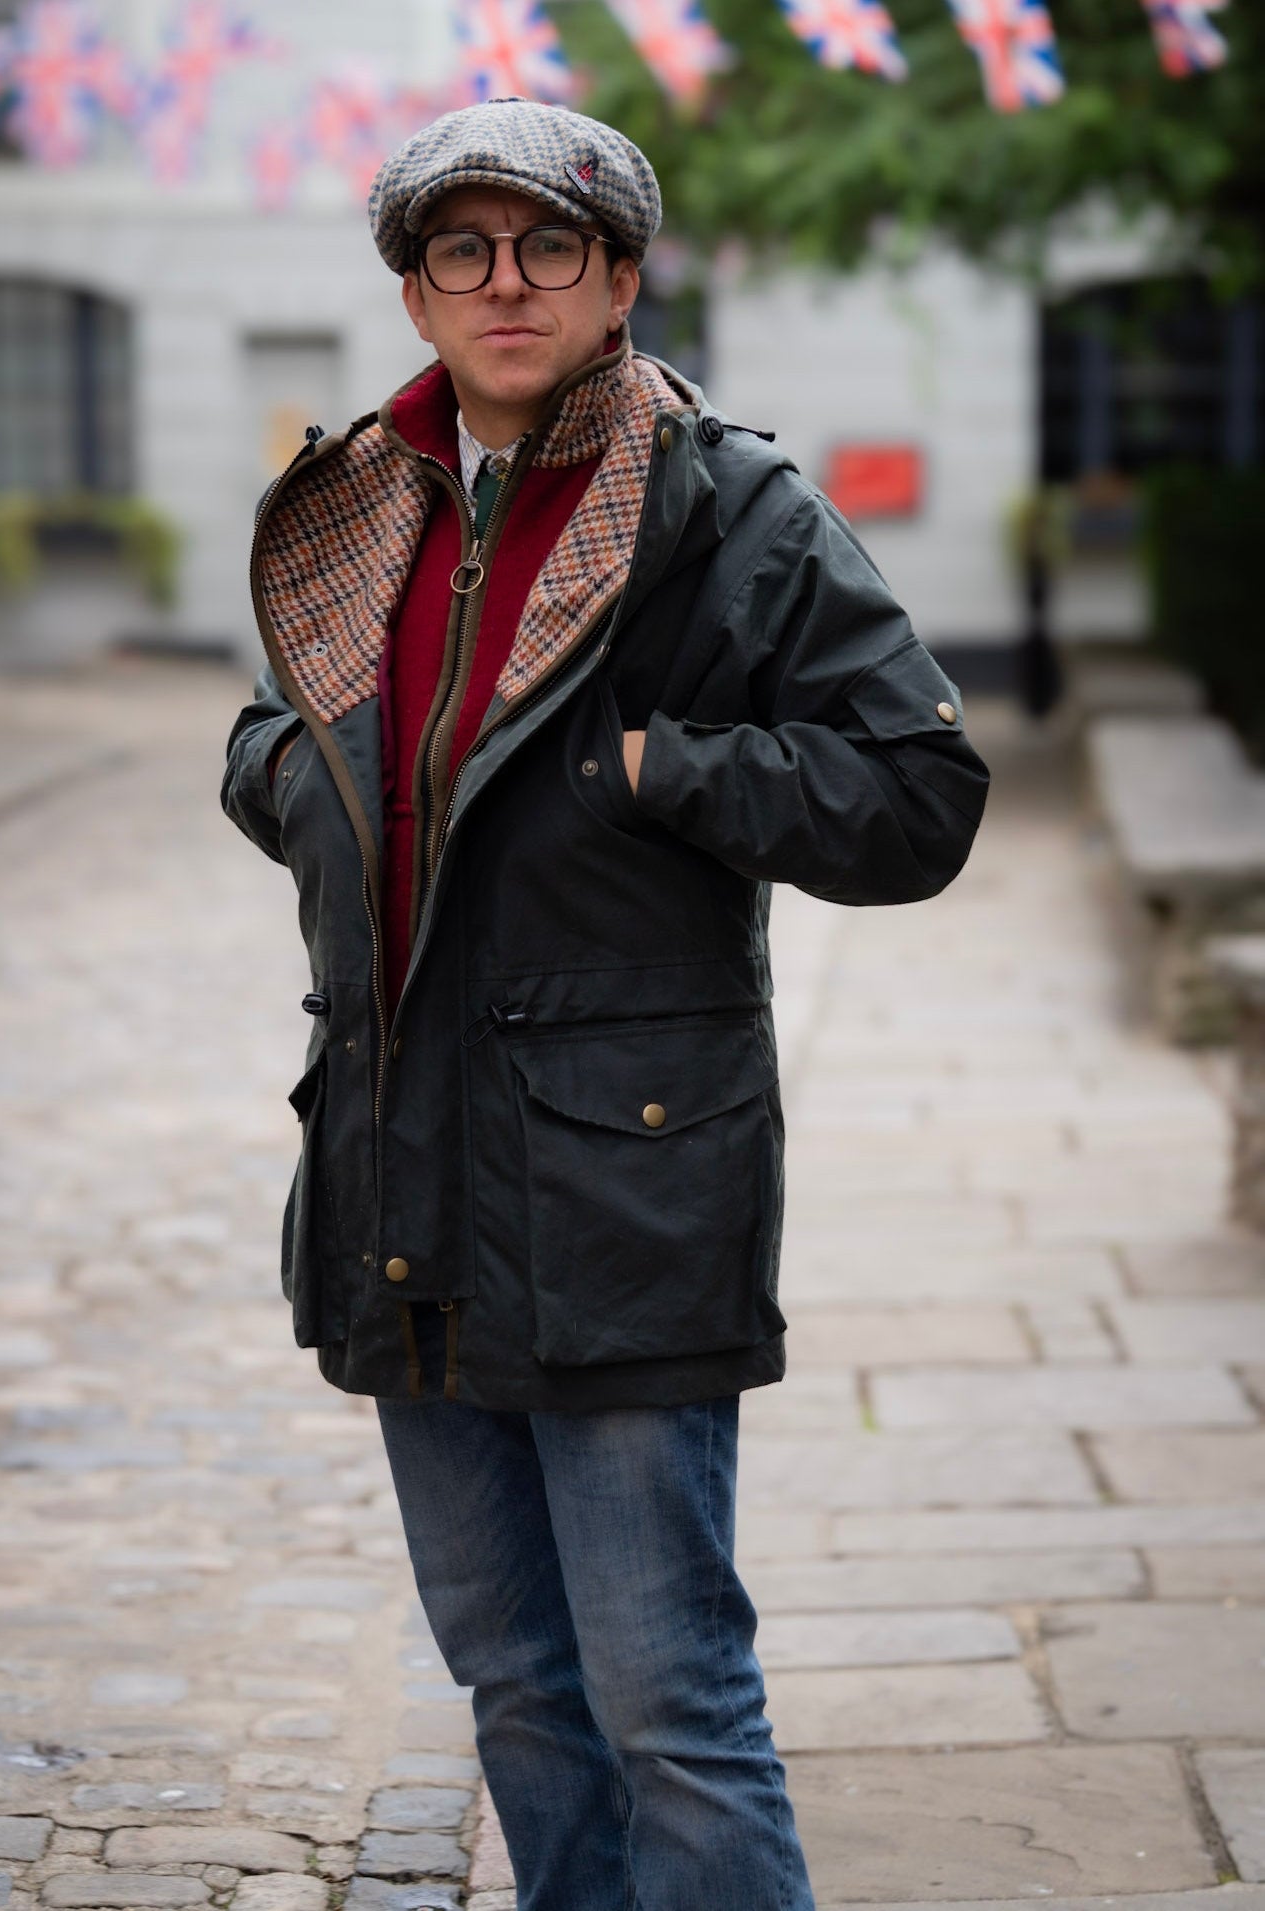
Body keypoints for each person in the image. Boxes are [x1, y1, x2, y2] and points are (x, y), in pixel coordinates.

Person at [222, 95, 989, 1911]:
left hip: (629, 1189)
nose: (506, 282)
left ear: (620, 275)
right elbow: (279, 733)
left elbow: (918, 797)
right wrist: (282, 784)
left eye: (547, 245)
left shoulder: (728, 508)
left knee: (669, 1705)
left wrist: (658, 770)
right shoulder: (352, 506)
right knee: (515, 1691)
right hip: (400, 1176)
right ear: (413, 293)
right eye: (461, 250)